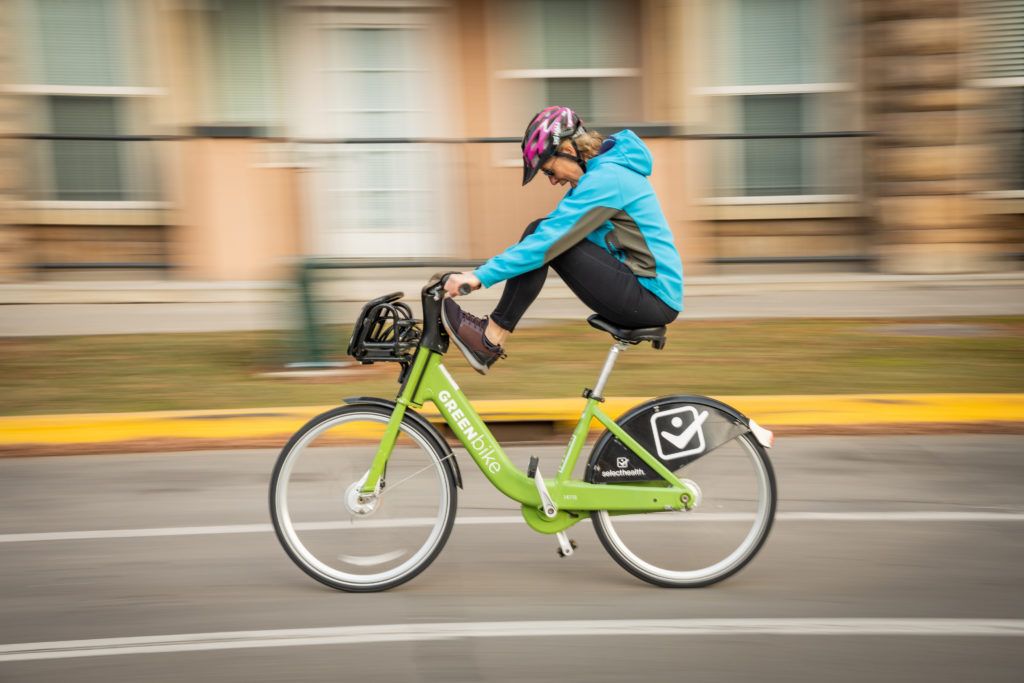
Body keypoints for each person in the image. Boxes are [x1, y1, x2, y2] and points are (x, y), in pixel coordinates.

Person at [442, 105, 683, 374]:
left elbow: (546, 241)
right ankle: (490, 337)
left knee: (542, 237)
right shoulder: (595, 182)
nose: (552, 181)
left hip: (650, 298)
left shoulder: (608, 180)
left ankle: (490, 339)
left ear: (568, 151)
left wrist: (478, 277)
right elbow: (547, 237)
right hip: (641, 291)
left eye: (548, 171)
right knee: (541, 236)